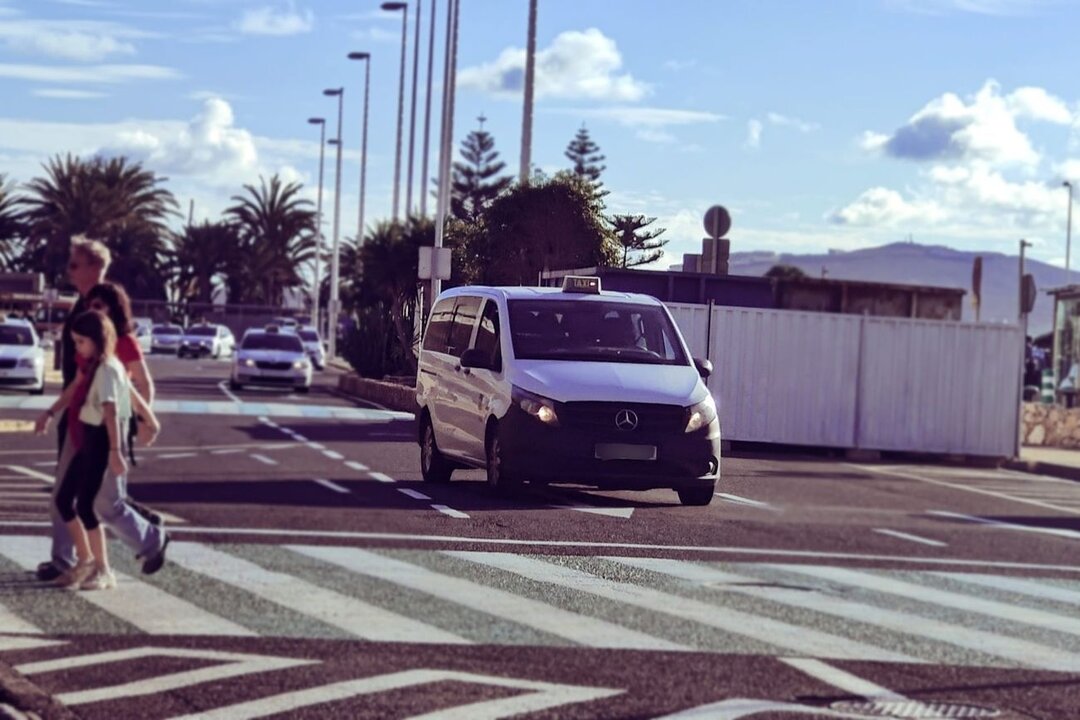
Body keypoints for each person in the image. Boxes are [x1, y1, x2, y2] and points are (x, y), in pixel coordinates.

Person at [34, 236, 170, 581]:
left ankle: (131, 546)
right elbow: (80, 378)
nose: (68, 272)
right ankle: (74, 561)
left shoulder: (109, 322)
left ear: (95, 268)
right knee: (70, 496)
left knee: (100, 502)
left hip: (102, 423)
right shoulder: (84, 309)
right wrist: (53, 411)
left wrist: (136, 422)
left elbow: (131, 382)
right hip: (79, 416)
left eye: (74, 265)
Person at [44, 311, 158, 589]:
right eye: (75, 341)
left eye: (81, 341)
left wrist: (116, 451)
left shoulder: (107, 368)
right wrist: (48, 413)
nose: (77, 347)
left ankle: (103, 569)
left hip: (100, 440)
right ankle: (85, 561)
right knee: (63, 501)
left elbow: (111, 410)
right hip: (88, 436)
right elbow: (128, 394)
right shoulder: (96, 365)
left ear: (97, 339)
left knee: (84, 505)